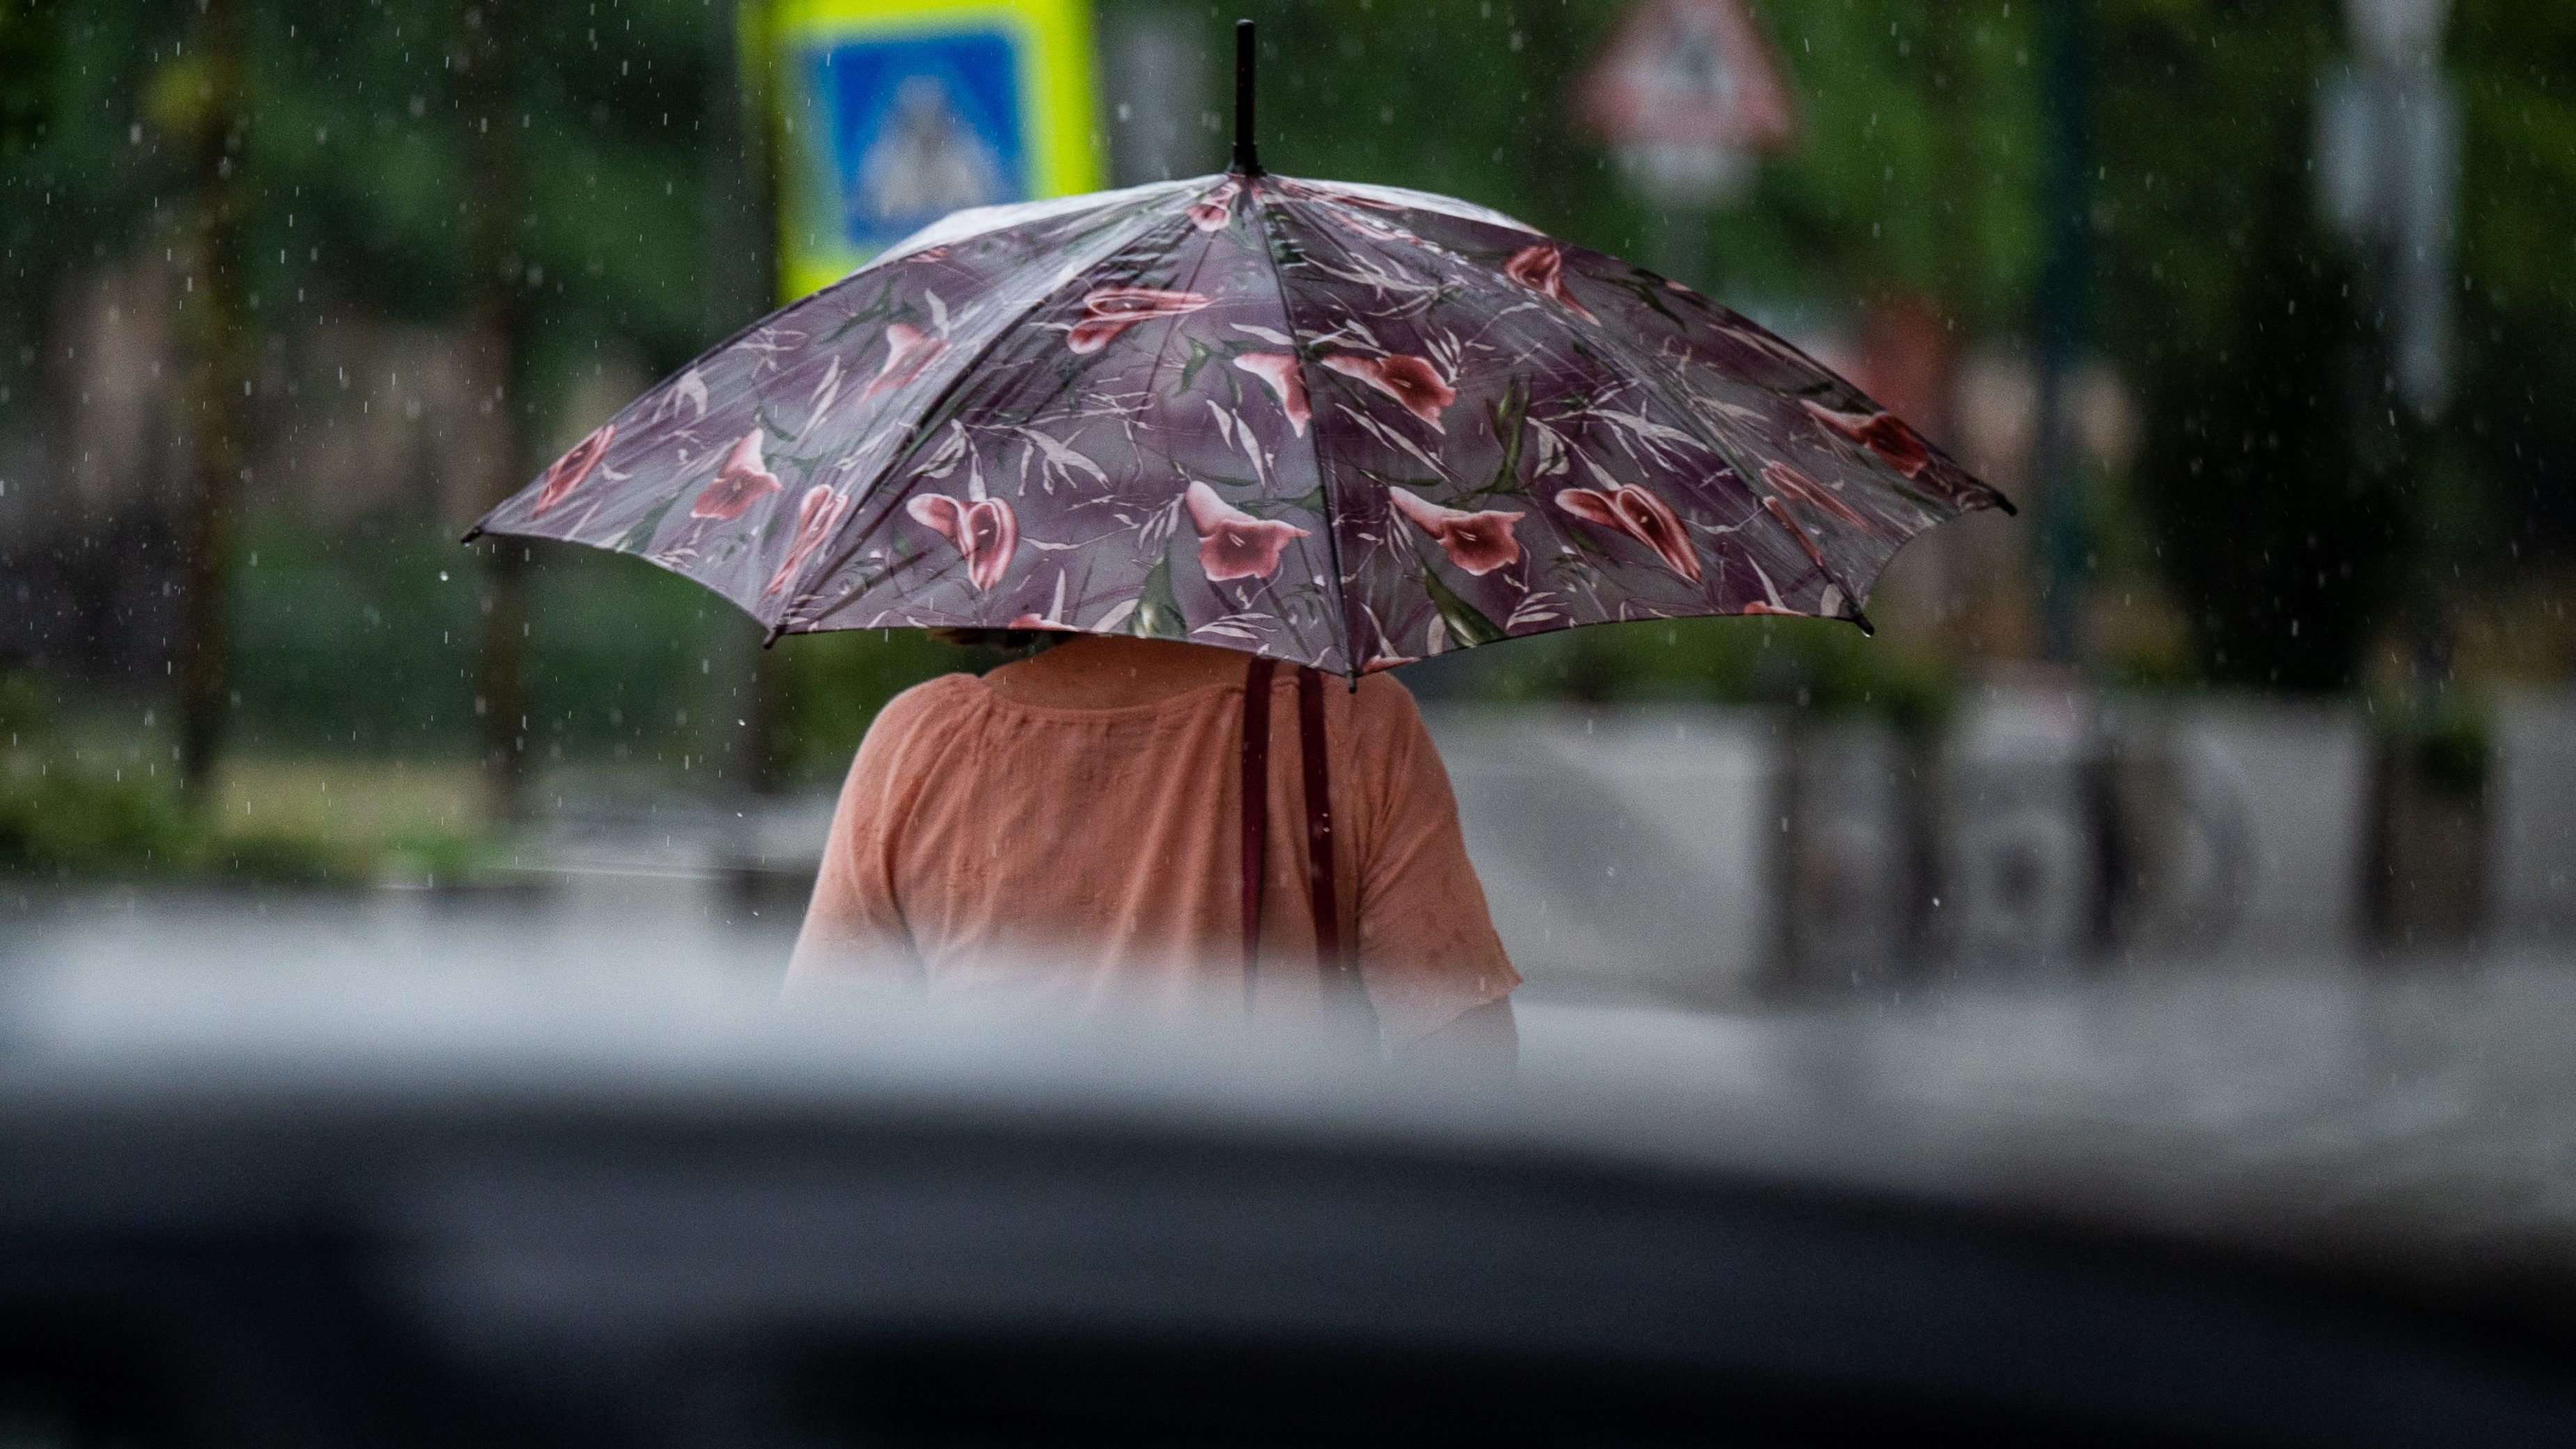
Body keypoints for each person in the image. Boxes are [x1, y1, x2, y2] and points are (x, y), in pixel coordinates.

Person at [787, 632, 1520, 1067]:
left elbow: (824, 1073)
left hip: (996, 1278)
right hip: (1269, 1272)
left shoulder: (921, 744)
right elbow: (1465, 1063)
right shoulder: (1345, 727)